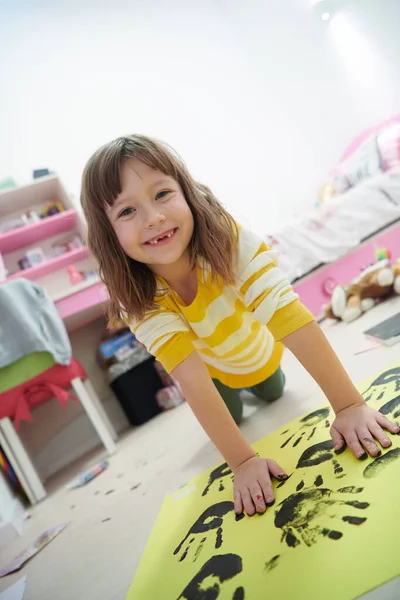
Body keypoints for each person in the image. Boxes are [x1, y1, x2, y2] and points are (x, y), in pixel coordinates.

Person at [81, 134, 399, 517]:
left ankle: (263, 381)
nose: (154, 218)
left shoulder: (227, 240)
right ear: (107, 234)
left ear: (187, 191)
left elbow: (288, 316)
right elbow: (190, 376)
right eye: (126, 212)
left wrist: (349, 405)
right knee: (230, 415)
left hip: (263, 355)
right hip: (215, 372)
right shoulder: (137, 298)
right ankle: (236, 394)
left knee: (273, 391)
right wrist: (243, 463)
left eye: (162, 194)